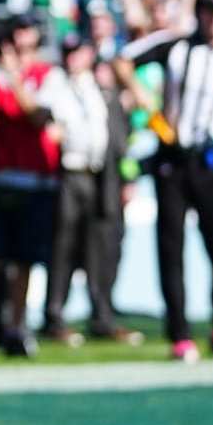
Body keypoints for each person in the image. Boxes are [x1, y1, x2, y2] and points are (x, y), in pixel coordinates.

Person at [117, 0, 213, 362]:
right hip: (172, 158)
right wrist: (148, 105)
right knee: (170, 247)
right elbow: (123, 61)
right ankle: (179, 333)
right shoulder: (175, 47)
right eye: (210, 11)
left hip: (210, 160)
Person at [37, 34, 137, 345]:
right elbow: (41, 114)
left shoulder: (100, 89)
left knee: (101, 248)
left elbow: (119, 136)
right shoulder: (55, 83)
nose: (72, 58)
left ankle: (102, 316)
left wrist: (126, 178)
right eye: (67, 51)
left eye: (77, 51)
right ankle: (54, 317)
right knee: (63, 246)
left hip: (100, 176)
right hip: (69, 174)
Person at [0, 16, 56, 358]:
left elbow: (38, 117)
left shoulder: (46, 77)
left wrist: (15, 82)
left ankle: (16, 327)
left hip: (33, 179)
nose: (19, 54)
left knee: (24, 260)